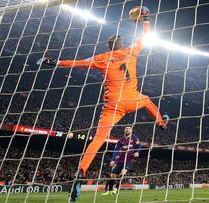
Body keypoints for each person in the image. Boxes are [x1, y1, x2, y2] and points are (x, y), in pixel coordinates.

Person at [37, 9, 169, 202]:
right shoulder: (131, 51)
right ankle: (161, 123)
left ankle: (80, 173)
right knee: (148, 100)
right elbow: (145, 37)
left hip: (113, 105)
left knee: (98, 139)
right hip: (132, 99)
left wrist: (55, 62)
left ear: (108, 46)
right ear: (122, 44)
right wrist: (146, 20)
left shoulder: (102, 58)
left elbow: (79, 63)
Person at [102, 126, 141, 195]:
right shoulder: (120, 140)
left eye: (129, 129)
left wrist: (137, 152)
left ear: (131, 131)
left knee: (123, 172)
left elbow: (139, 145)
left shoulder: (134, 138)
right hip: (121, 160)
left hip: (129, 160)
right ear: (124, 130)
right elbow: (116, 150)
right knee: (112, 175)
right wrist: (113, 160)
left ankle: (116, 188)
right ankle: (110, 190)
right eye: (126, 128)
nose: (128, 130)